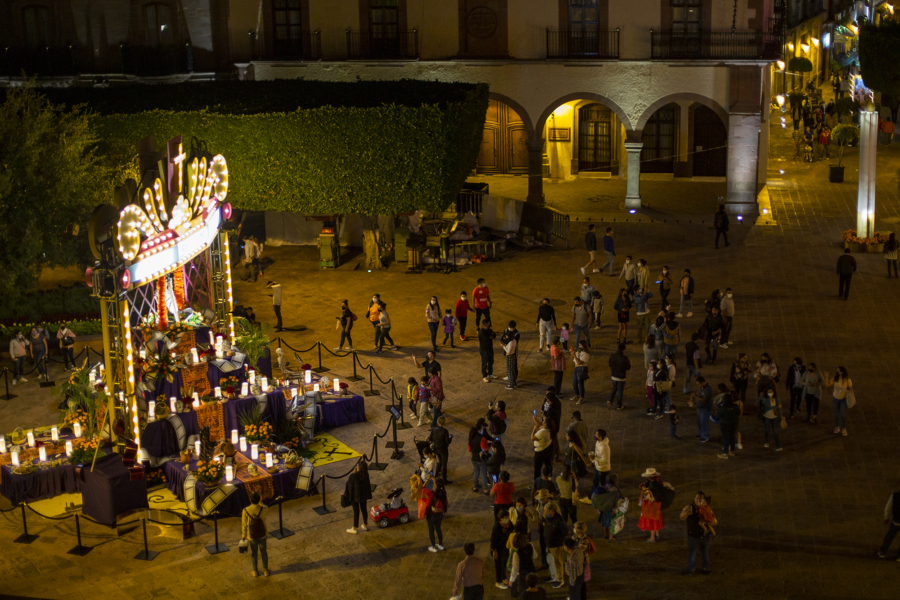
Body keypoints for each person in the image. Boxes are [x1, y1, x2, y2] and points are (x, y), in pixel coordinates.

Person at [680, 492, 716, 575]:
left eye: (701, 499)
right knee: (693, 552)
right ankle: (692, 569)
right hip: (693, 535)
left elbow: (714, 521)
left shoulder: (707, 509)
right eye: (697, 498)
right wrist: (685, 513)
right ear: (694, 499)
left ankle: (705, 568)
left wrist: (706, 522)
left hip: (704, 535)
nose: (699, 500)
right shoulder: (689, 507)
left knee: (704, 552)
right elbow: (681, 517)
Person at [241, 491, 270, 577]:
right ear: (259, 499)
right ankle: (266, 570)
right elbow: (264, 506)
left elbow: (244, 524)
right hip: (262, 533)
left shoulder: (245, 511)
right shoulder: (264, 508)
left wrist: (243, 535)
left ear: (250, 500)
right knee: (263, 552)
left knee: (254, 553)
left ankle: (255, 571)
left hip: (251, 535)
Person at [543, 502, 568, 588]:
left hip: (557, 546)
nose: (546, 514)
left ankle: (560, 579)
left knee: (558, 563)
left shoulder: (559, 520)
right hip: (549, 544)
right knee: (551, 562)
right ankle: (553, 576)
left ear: (552, 511)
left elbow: (565, 531)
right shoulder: (548, 519)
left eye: (547, 512)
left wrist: (558, 540)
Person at [344, 461, 372, 534]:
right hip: (363, 496)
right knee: (364, 509)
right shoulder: (366, 475)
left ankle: (355, 528)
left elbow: (349, 487)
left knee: (356, 511)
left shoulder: (353, 476)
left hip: (355, 497)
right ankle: (365, 525)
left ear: (358, 467)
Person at [638, 468, 664, 542]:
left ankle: (652, 537)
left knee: (652, 520)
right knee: (657, 518)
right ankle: (657, 534)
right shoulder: (658, 481)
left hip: (652, 505)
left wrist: (644, 494)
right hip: (658, 504)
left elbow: (649, 496)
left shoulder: (652, 485)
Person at [826, 366, 853, 437]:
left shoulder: (847, 380)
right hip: (835, 398)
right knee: (836, 414)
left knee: (843, 414)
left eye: (838, 371)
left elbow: (850, 389)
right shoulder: (835, 378)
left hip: (843, 399)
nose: (837, 372)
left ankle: (844, 428)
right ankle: (837, 427)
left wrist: (845, 390)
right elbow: (827, 384)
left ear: (842, 372)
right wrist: (827, 377)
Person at [490, 510, 514, 589]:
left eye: (508, 517)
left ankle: (503, 577)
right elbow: (493, 540)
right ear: (500, 519)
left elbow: (513, 529)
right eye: (505, 518)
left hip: (505, 548)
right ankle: (498, 581)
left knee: (504, 563)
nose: (507, 519)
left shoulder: (509, 524)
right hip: (498, 549)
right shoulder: (497, 527)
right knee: (498, 565)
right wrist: (494, 551)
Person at [425, 476, 449, 552]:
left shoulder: (432, 493)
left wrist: (428, 479)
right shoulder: (443, 492)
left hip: (431, 515)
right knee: (438, 529)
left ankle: (433, 547)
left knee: (431, 530)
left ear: (436, 485)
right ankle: (441, 545)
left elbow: (423, 488)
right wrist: (434, 480)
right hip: (440, 514)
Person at [716, 392, 741, 459]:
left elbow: (717, 416)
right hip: (733, 424)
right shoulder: (735, 406)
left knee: (726, 438)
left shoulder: (723, 408)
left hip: (725, 425)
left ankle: (725, 453)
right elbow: (738, 413)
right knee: (732, 437)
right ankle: (732, 451)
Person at [470, 418, 491, 493]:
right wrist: (488, 447)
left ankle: (474, 487)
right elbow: (484, 449)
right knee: (483, 474)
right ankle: (485, 489)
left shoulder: (472, 438)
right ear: (479, 430)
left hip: (474, 458)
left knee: (476, 473)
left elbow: (470, 448)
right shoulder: (482, 439)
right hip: (481, 459)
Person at [878, 489, 900, 559]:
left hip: (896, 521)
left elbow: (888, 507)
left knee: (890, 536)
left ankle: (882, 551)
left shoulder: (895, 496)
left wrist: (886, 517)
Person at [542, 389, 563, 461]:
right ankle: (556, 454)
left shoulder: (551, 409)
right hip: (555, 425)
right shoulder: (557, 402)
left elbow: (549, 420)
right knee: (555, 439)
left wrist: (544, 416)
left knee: (552, 441)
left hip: (551, 427)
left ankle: (553, 456)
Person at [607, 343, 630, 409]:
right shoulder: (624, 358)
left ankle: (610, 400)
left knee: (614, 387)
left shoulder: (612, 355)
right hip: (621, 377)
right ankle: (619, 405)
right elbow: (628, 367)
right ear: (623, 349)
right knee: (620, 390)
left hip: (613, 376)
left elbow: (610, 364)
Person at [531, 415, 553, 480]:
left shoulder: (543, 432)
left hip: (540, 451)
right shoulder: (550, 429)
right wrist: (535, 419)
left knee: (537, 468)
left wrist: (534, 430)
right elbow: (540, 425)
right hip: (547, 448)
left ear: (546, 424)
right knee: (548, 464)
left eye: (544, 422)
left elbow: (532, 438)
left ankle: (537, 482)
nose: (542, 422)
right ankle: (549, 477)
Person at [430, 415, 451, 483]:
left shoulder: (433, 429)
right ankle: (444, 480)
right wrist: (450, 438)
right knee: (444, 464)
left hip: (436, 448)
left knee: (440, 461)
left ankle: (435, 474)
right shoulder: (445, 431)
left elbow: (430, 438)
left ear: (437, 422)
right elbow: (447, 442)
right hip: (443, 449)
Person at [692, 376, 712, 443]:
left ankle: (705, 436)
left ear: (703, 382)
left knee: (704, 423)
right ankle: (700, 434)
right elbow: (699, 394)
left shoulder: (708, 390)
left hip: (705, 409)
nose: (698, 385)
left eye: (699, 384)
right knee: (699, 422)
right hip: (699, 408)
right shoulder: (701, 388)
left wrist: (696, 397)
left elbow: (704, 399)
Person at [570, 341, 590, 405]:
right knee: (574, 383)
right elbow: (573, 359)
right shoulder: (578, 352)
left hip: (581, 369)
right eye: (579, 345)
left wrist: (574, 355)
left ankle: (581, 398)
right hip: (576, 369)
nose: (579, 346)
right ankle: (577, 395)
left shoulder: (586, 354)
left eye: (580, 345)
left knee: (580, 384)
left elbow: (579, 362)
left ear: (584, 346)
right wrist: (572, 353)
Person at [502, 322, 519, 389]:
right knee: (511, 369)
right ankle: (514, 382)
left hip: (510, 355)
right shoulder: (513, 340)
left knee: (510, 370)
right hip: (511, 355)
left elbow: (508, 351)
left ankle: (511, 384)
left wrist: (503, 346)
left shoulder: (511, 342)